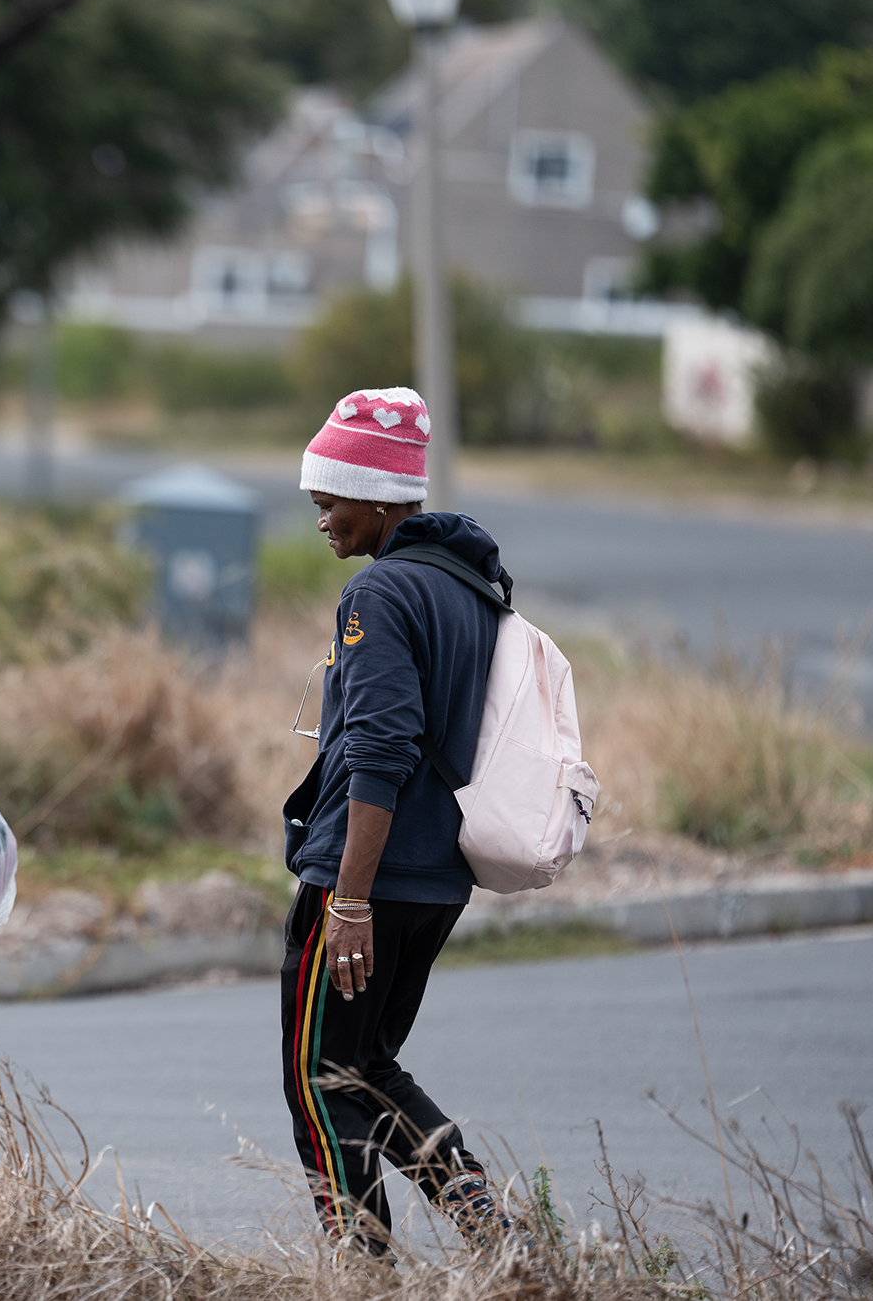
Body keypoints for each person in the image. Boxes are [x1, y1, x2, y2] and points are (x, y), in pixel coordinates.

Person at [281, 385, 515, 1255]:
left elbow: (381, 748)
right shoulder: (473, 590)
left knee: (317, 1074)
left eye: (329, 500)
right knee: (367, 1066)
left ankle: (363, 1261)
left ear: (380, 499)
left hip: (366, 878)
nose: (322, 520)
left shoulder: (379, 596)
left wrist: (348, 900)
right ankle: (479, 1214)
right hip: (438, 877)